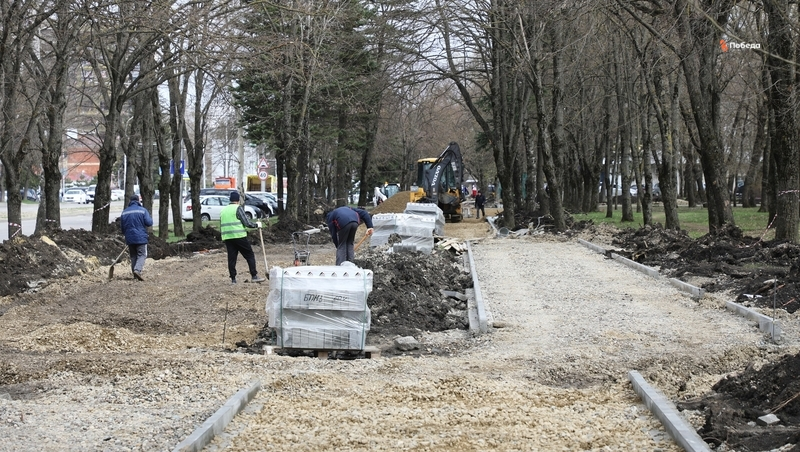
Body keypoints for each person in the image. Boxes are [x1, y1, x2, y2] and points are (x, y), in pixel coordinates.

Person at [220, 191, 266, 284]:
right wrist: (257, 225)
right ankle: (254, 276)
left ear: (230, 200)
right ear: (238, 200)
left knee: (232, 258)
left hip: (228, 237)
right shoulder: (238, 208)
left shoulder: (224, 210)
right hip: (239, 236)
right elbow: (247, 222)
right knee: (249, 255)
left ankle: (233, 279)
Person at [120, 194, 153, 281]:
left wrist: (126, 234)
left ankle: (135, 275)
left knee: (133, 256)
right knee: (142, 254)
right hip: (141, 237)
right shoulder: (143, 210)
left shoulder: (124, 212)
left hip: (129, 238)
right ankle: (137, 270)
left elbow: (122, 228)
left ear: (130, 201)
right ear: (138, 201)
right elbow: (149, 223)